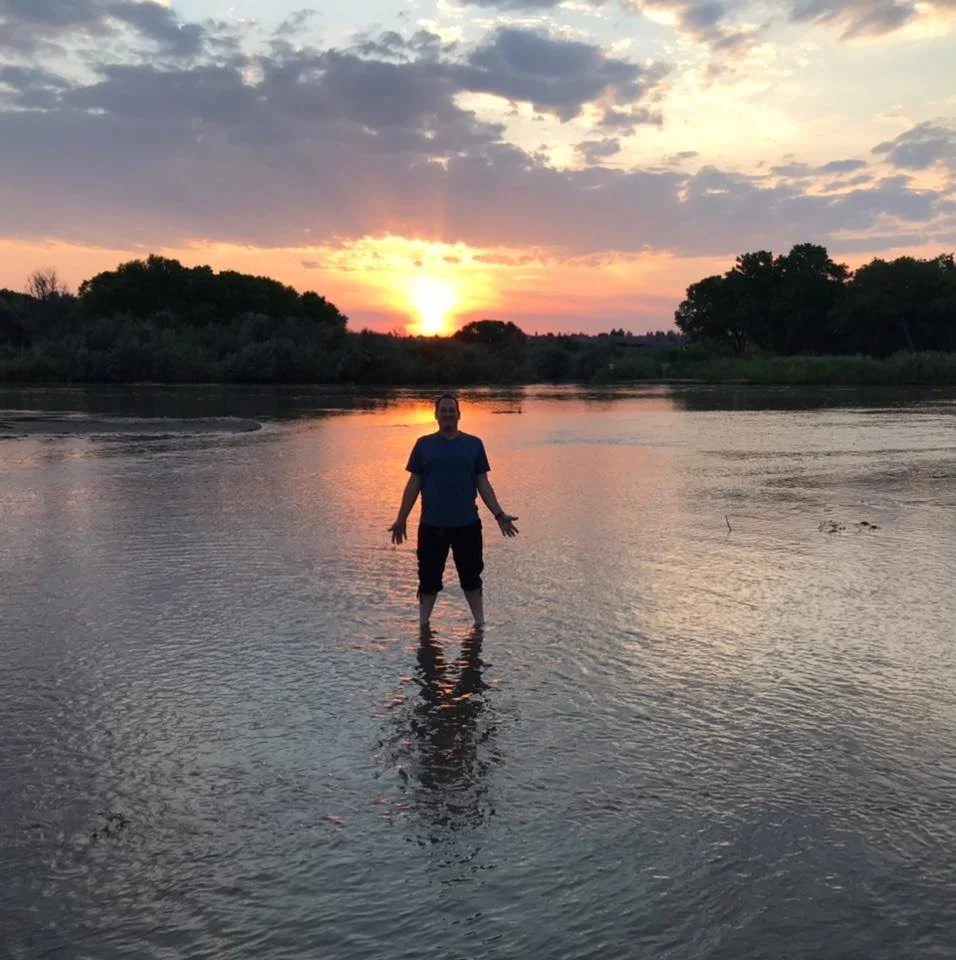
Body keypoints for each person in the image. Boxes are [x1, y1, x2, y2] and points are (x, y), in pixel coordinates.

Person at [389, 393, 518, 630]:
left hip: (467, 524)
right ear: (436, 415)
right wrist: (401, 518)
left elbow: (483, 484)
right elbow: (414, 483)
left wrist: (499, 514)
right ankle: (423, 626)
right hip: (432, 525)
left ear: (459, 415)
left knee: (471, 577)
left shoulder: (474, 444)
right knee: (428, 578)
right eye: (443, 410)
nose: (448, 413)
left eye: (452, 410)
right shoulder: (423, 444)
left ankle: (479, 624)